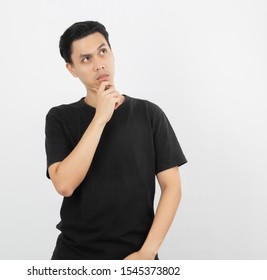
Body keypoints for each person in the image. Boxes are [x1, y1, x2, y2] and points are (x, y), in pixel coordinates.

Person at [45, 21, 187, 260]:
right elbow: (64, 184)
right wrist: (100, 118)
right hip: (74, 255)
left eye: (103, 52)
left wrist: (147, 253)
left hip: (135, 256)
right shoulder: (60, 117)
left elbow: (172, 187)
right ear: (72, 69)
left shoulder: (149, 114)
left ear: (112, 53)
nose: (99, 64)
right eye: (86, 59)